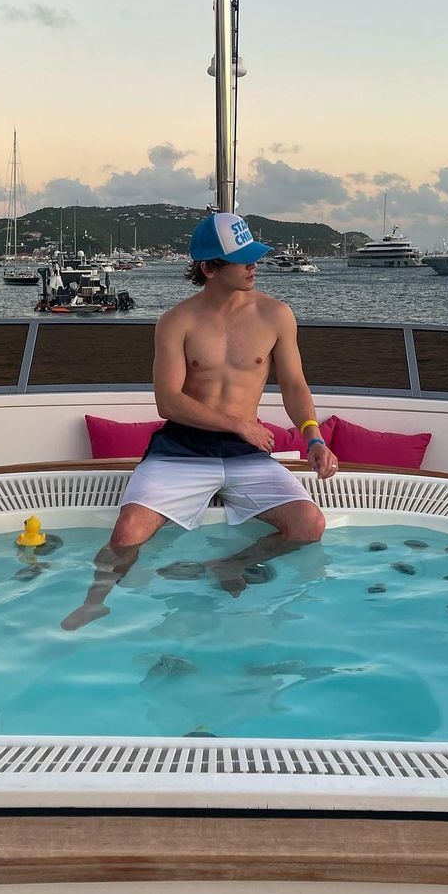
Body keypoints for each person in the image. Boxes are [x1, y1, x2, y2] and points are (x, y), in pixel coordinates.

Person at [61, 211, 338, 630]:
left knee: (309, 524)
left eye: (253, 256)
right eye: (242, 259)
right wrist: (238, 424)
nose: (254, 265)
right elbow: (168, 402)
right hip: (181, 450)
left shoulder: (276, 315)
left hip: (247, 454)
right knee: (128, 532)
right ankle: (94, 602)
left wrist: (313, 438)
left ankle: (232, 563)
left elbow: (294, 385)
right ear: (209, 268)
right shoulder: (177, 321)